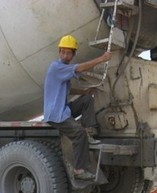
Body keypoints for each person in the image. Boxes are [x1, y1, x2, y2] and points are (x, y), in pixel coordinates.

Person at [44, 34, 112, 181]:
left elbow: (67, 90)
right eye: (62, 52)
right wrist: (102, 58)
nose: (65, 55)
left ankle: (90, 130)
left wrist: (83, 92)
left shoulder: (63, 69)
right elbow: (79, 68)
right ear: (59, 52)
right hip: (56, 114)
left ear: (73, 54)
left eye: (68, 53)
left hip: (64, 109)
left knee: (87, 100)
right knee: (78, 134)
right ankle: (79, 171)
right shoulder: (56, 67)